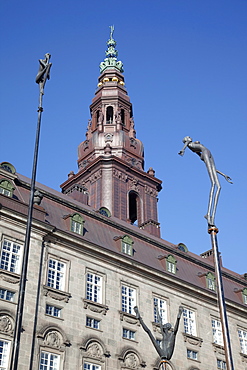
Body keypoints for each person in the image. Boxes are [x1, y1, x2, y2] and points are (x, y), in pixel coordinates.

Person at [178, 136, 232, 226]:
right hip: (206, 153)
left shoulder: (197, 148)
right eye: (187, 137)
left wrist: (223, 175)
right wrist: (183, 149)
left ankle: (212, 215)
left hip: (208, 154)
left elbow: (213, 168)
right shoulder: (189, 144)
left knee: (219, 187)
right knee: (214, 184)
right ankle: (208, 214)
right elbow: (186, 144)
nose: (189, 137)